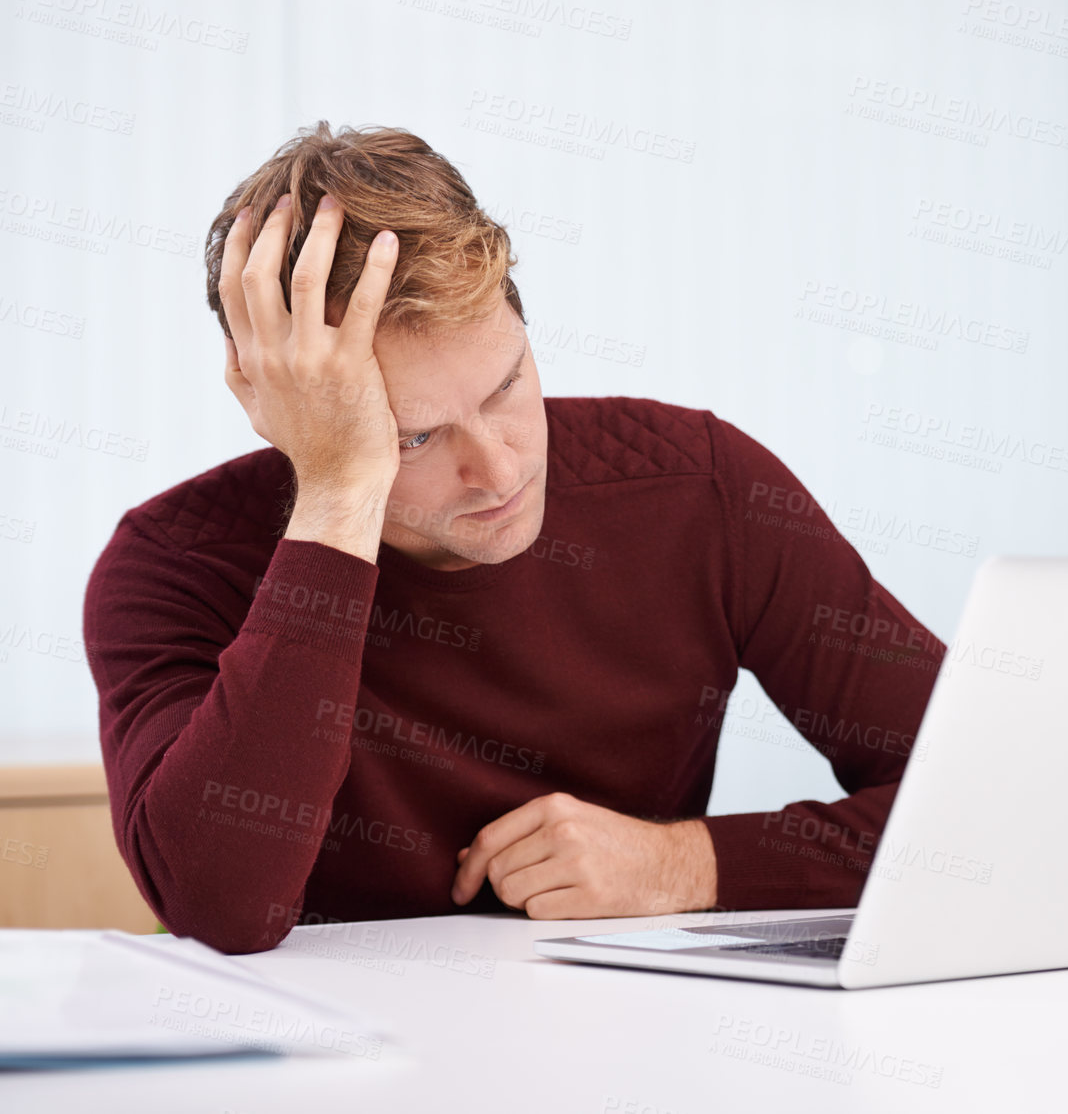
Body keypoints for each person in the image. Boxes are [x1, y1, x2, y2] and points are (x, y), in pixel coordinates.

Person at [81, 122, 945, 954]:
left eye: (504, 385)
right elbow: (220, 904)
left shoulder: (701, 488)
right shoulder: (171, 566)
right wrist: (341, 491)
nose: (497, 472)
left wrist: (683, 863)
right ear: (284, 410)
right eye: (412, 437)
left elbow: (986, 802)